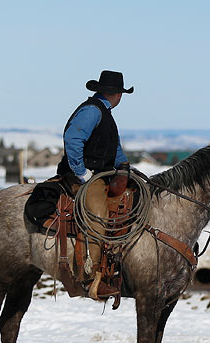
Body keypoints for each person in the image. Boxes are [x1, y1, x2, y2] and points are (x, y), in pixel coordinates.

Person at [57, 70, 133, 300]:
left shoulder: (104, 113)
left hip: (102, 174)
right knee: (98, 214)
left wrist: (124, 166)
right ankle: (90, 277)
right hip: (82, 176)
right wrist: (81, 172)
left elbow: (114, 149)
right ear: (118, 94)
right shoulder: (92, 111)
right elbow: (73, 138)